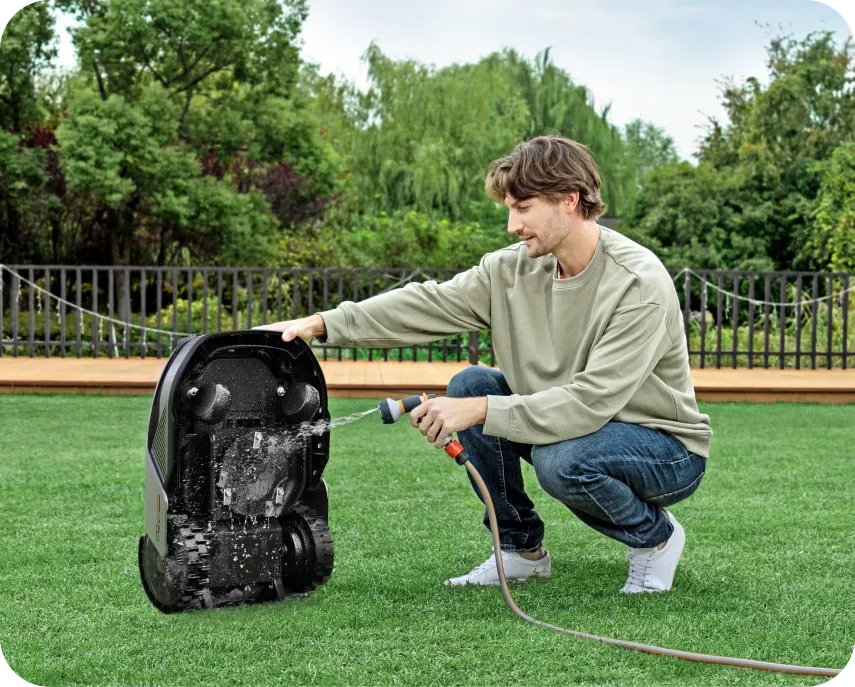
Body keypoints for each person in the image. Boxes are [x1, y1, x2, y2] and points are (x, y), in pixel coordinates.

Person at [256, 135, 711, 594]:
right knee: (472, 382)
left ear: (569, 199)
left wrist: (478, 411)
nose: (513, 225)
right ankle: (520, 551)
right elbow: (429, 303)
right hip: (574, 426)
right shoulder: (512, 269)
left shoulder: (637, 283)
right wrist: (321, 324)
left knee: (560, 459)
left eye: (524, 208)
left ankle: (655, 538)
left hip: (662, 448)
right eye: (510, 209)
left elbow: (589, 402)